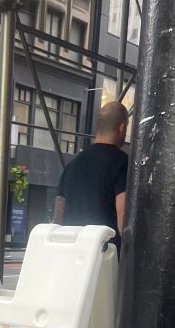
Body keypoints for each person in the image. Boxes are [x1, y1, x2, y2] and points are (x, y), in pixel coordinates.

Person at [52, 102, 129, 252]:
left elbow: (58, 218)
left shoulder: (72, 166)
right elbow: (123, 218)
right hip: (106, 260)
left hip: (75, 259)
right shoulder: (122, 163)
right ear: (122, 128)